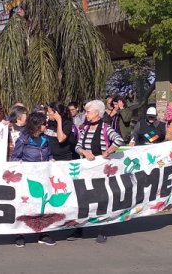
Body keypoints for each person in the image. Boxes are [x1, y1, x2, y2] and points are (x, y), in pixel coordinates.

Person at [71, 100, 123, 244]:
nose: (86, 114)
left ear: (97, 113)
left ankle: (101, 229)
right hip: (87, 169)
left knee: (101, 198)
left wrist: (108, 151)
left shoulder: (106, 128)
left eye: (88, 111)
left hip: (101, 170)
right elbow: (77, 146)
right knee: (83, 198)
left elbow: (119, 140)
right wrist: (84, 152)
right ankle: (79, 229)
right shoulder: (85, 129)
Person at [10, 112, 55, 247]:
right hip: (27, 178)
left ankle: (43, 233)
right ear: (36, 125)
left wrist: (54, 162)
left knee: (42, 204)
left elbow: (49, 155)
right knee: (25, 205)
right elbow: (15, 157)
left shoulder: (45, 139)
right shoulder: (23, 139)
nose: (46, 126)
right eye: (43, 124)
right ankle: (20, 234)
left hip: (43, 177)